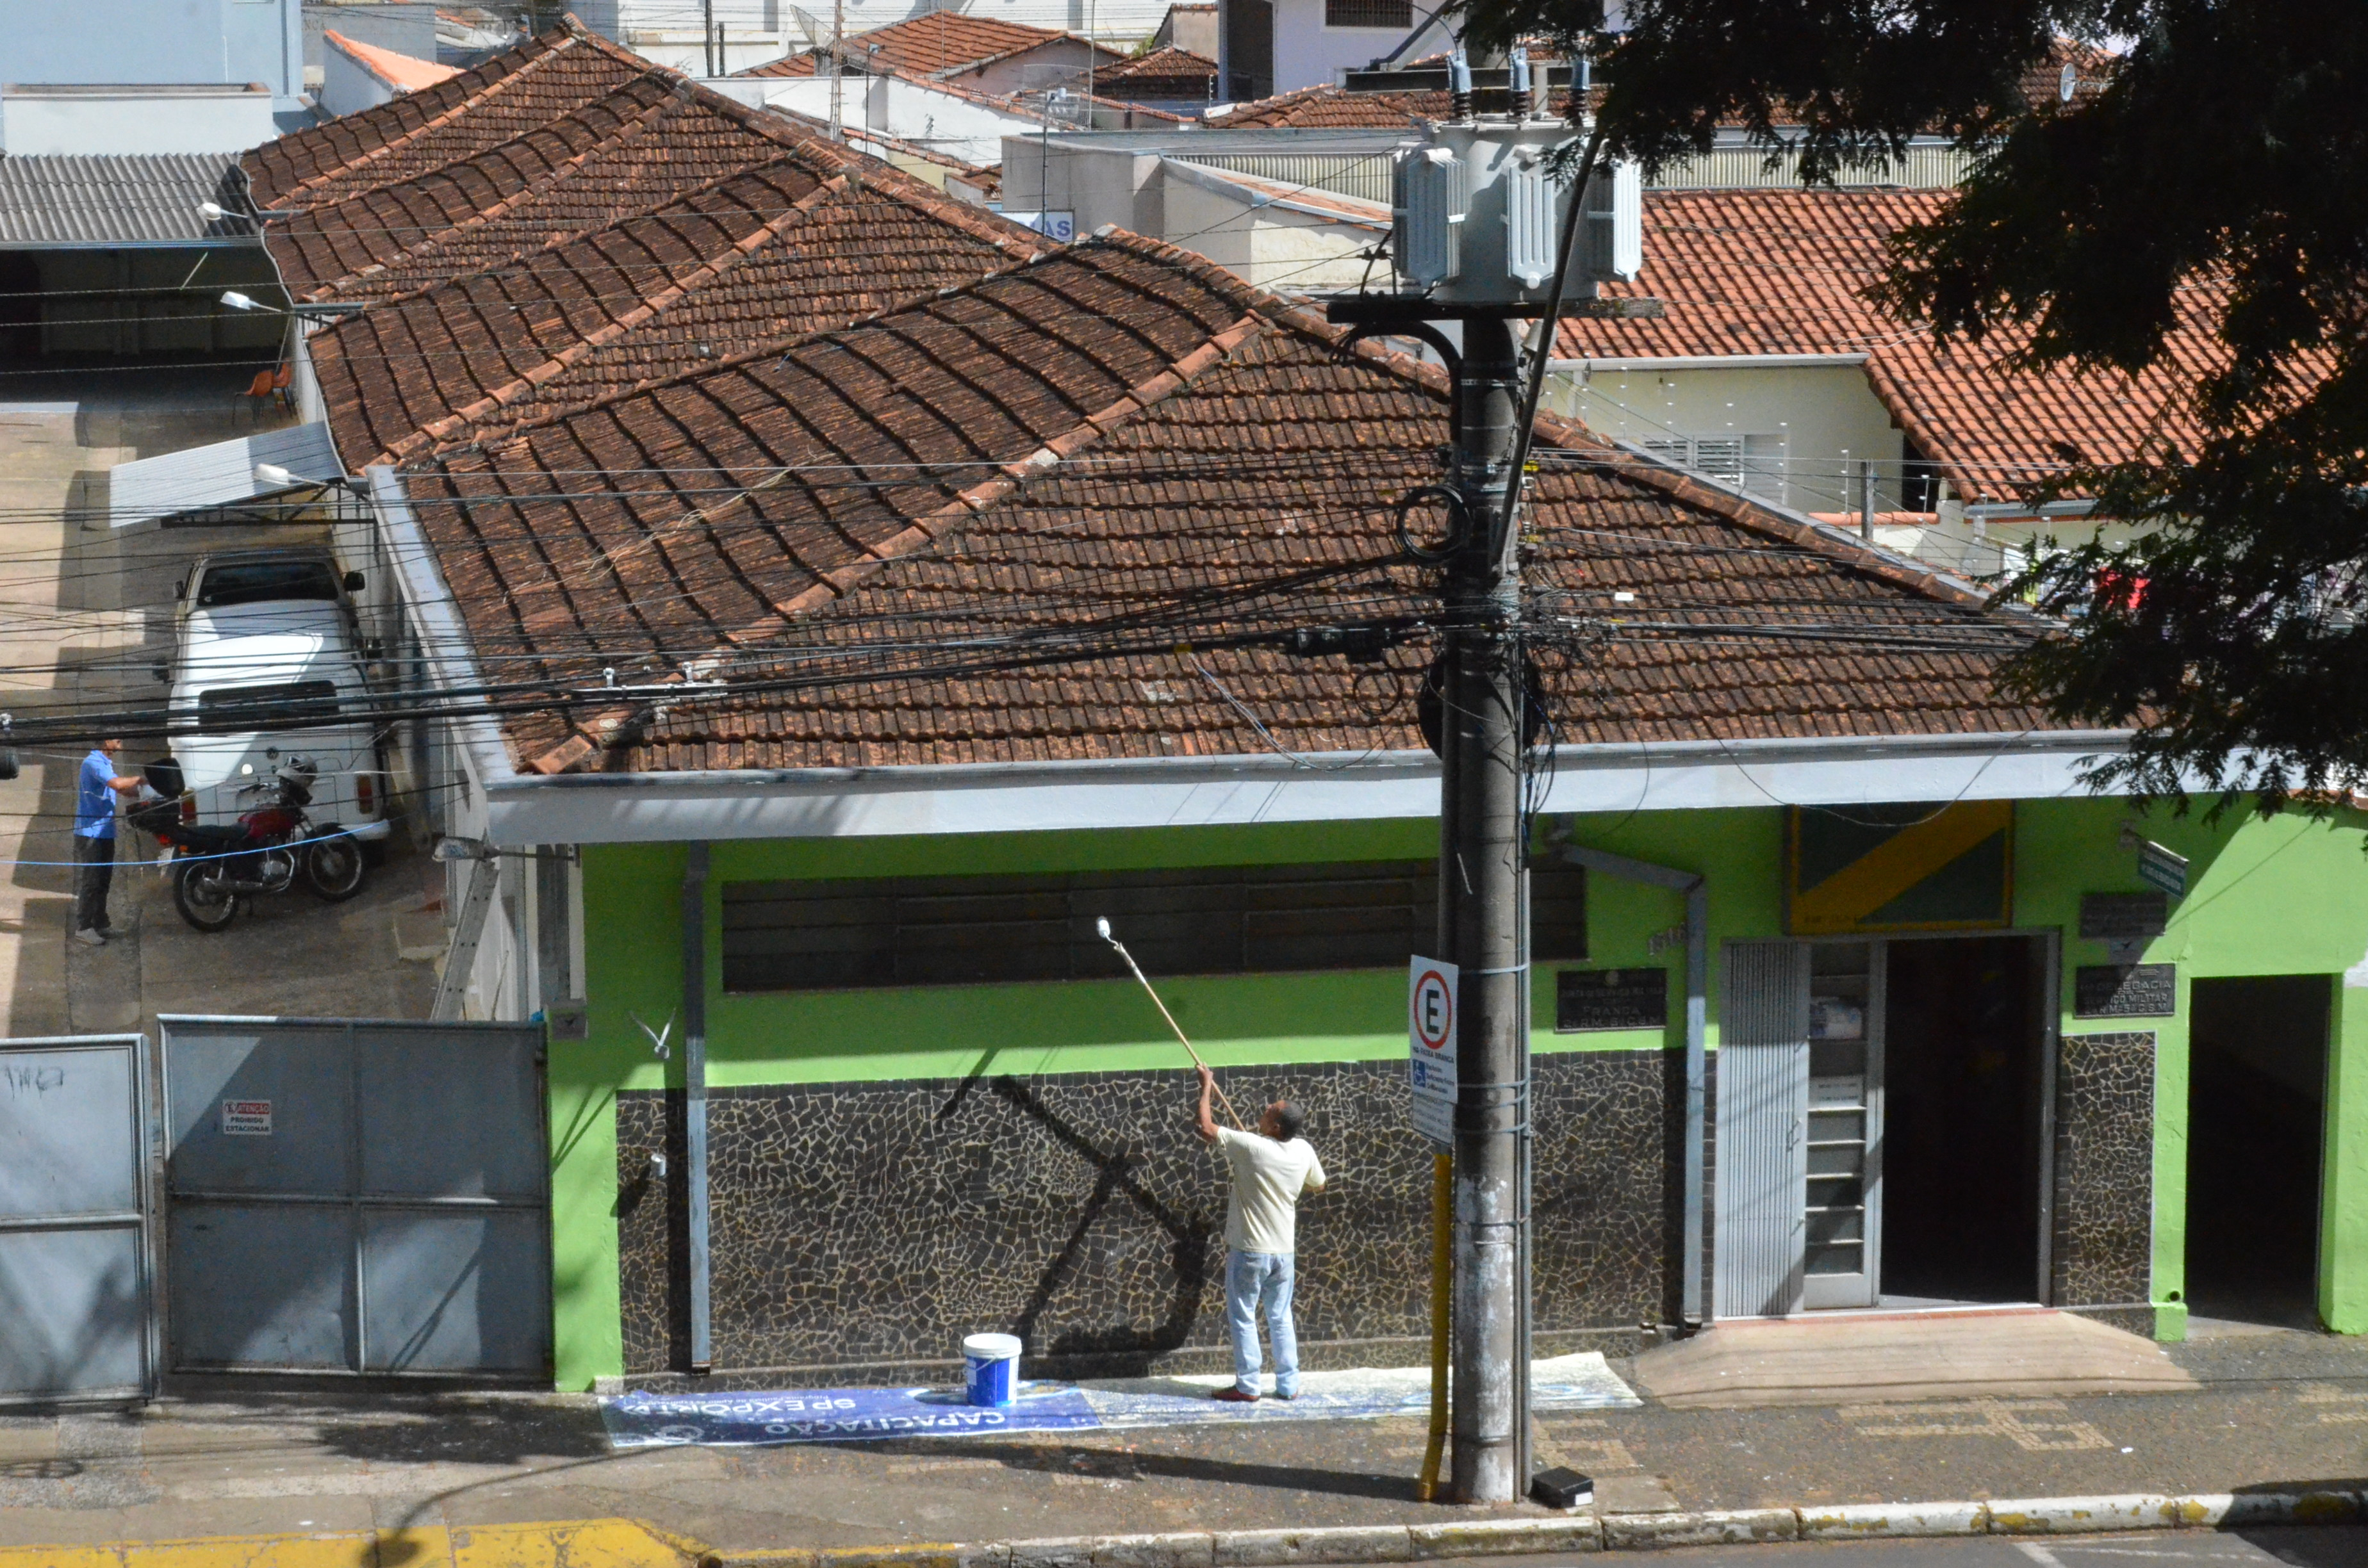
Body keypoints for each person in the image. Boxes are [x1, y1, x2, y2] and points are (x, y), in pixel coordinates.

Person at [1194, 1063, 1326, 1403]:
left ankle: (1248, 1386)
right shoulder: (1303, 1150)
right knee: (1280, 1316)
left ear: (1276, 1125)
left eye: (1271, 1110)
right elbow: (1319, 1185)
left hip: (1250, 1251)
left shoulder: (1252, 1147)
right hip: (1284, 1252)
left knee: (1243, 1315)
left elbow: (1206, 1127)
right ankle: (1288, 1385)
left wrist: (1207, 1085)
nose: (1265, 1108)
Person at [72, 738, 140, 947]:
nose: (120, 741)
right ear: (105, 741)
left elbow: (122, 789)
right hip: (91, 833)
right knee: (92, 882)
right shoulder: (92, 763)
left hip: (106, 831)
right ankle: (84, 927)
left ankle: (100, 922)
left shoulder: (106, 764)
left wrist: (149, 792)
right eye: (116, 738)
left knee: (103, 881)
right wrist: (140, 779)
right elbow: (117, 784)